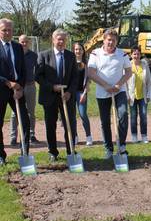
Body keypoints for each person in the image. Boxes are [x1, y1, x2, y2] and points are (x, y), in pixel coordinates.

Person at [88, 29, 132, 159]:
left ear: (117, 41)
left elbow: (128, 72)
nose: (111, 42)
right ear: (104, 39)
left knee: (123, 114)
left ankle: (122, 145)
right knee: (105, 121)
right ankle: (108, 148)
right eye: (109, 39)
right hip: (102, 92)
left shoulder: (122, 55)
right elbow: (91, 72)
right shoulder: (95, 54)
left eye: (114, 40)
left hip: (120, 91)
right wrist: (105, 85)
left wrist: (119, 84)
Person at [35, 28, 78, 161]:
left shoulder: (71, 56)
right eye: (58, 39)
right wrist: (52, 87)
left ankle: (71, 151)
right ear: (53, 40)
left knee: (69, 125)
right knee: (50, 125)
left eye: (63, 39)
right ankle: (53, 152)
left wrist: (70, 92)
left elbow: (75, 77)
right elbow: (38, 76)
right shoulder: (43, 55)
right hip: (50, 96)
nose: (61, 42)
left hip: (67, 97)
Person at [0, 18, 30, 165]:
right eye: (4, 30)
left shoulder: (18, 47)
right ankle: (1, 156)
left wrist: (20, 87)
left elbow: (23, 70)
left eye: (9, 30)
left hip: (17, 90)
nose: (7, 32)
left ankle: (25, 154)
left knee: (25, 121)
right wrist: (7, 82)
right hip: (1, 90)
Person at [9, 34, 39, 145]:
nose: (24, 44)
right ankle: (13, 137)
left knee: (31, 112)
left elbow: (39, 70)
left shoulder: (33, 55)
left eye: (26, 42)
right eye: (22, 42)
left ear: (29, 43)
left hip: (30, 86)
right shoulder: (15, 53)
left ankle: (31, 134)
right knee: (15, 113)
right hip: (18, 87)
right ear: (19, 42)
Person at [127, 46, 151, 143]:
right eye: (134, 54)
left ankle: (144, 136)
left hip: (143, 96)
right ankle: (134, 136)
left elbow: (149, 81)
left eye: (138, 54)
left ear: (140, 55)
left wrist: (149, 95)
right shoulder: (128, 65)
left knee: (143, 116)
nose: (136, 56)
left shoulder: (145, 65)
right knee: (133, 117)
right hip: (132, 96)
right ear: (131, 55)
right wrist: (127, 96)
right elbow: (124, 83)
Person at [73, 42, 93, 146]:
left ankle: (88, 136)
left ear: (83, 51)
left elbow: (88, 81)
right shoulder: (70, 62)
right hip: (71, 93)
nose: (78, 51)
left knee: (83, 114)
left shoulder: (86, 64)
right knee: (72, 116)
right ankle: (74, 136)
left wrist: (84, 94)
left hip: (81, 92)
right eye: (76, 49)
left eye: (80, 49)